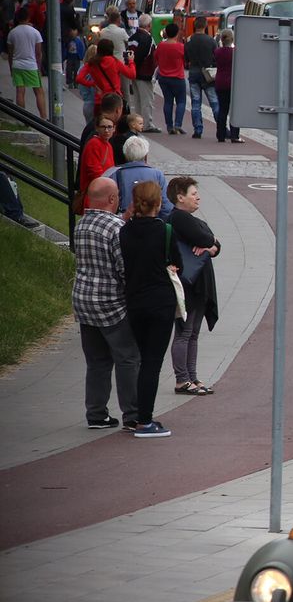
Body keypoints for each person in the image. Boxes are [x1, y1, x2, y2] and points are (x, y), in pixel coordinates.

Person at [72, 176, 140, 431]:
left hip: (83, 301)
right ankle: (132, 414)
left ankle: (96, 413)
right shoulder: (116, 228)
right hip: (111, 304)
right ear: (112, 199)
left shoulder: (82, 225)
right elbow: (123, 268)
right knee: (127, 358)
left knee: (97, 361)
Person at [119, 181, 181, 438]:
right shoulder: (165, 231)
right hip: (160, 302)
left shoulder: (125, 231)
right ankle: (144, 420)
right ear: (158, 203)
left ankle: (133, 416)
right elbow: (177, 263)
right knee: (152, 363)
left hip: (134, 301)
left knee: (140, 359)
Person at [167, 176, 221, 395]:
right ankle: (182, 380)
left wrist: (211, 246)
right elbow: (207, 237)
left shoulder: (188, 218)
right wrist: (211, 244)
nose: (198, 197)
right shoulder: (179, 218)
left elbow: (214, 243)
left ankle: (192, 376)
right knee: (184, 332)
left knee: (193, 333)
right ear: (180, 198)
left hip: (198, 283)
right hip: (187, 285)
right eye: (193, 193)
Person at [104, 136, 174, 219]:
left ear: (125, 154)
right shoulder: (157, 174)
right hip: (151, 221)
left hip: (124, 222)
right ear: (145, 155)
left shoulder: (114, 173)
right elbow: (166, 206)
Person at [6, 8, 47, 118]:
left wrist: (11, 67)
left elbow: (10, 53)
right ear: (28, 17)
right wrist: (39, 68)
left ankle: (22, 118)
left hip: (17, 65)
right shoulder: (35, 32)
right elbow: (38, 53)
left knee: (20, 91)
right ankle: (43, 117)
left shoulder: (12, 33)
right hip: (31, 65)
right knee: (39, 91)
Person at [76, 37, 136, 111]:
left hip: (100, 99)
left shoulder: (92, 63)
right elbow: (132, 74)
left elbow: (79, 78)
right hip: (114, 99)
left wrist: (92, 84)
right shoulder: (114, 61)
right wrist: (131, 61)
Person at [184, 16, 219, 139]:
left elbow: (186, 58)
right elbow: (216, 57)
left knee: (195, 103)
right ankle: (221, 128)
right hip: (207, 73)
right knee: (214, 102)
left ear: (195, 26)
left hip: (194, 72)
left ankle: (198, 129)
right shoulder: (211, 40)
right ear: (205, 26)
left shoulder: (189, 40)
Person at [127, 14, 159, 133]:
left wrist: (133, 67)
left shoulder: (132, 37)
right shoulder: (147, 38)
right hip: (144, 73)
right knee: (147, 100)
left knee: (137, 100)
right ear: (149, 25)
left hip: (134, 72)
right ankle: (146, 124)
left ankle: (137, 123)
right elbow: (143, 55)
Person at [154, 23, 187, 134]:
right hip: (178, 77)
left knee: (168, 102)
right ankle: (178, 124)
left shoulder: (161, 45)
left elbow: (156, 58)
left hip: (164, 77)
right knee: (181, 101)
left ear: (166, 33)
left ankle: (169, 125)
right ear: (177, 33)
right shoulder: (180, 47)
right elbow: (185, 60)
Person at [78, 116, 116, 204]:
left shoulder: (108, 145)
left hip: (104, 192)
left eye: (109, 127)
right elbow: (94, 171)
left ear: (114, 129)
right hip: (94, 195)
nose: (106, 130)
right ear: (97, 128)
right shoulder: (94, 144)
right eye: (103, 127)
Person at [213, 29, 241, 143]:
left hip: (220, 82)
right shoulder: (235, 52)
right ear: (232, 39)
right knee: (235, 111)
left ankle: (220, 134)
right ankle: (234, 135)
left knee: (222, 110)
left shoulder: (217, 52)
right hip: (233, 83)